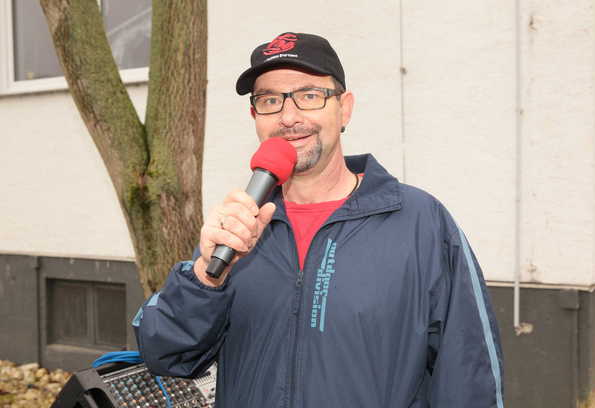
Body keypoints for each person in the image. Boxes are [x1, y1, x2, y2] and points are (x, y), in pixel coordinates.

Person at [133, 32, 504, 408]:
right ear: (255, 117)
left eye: (309, 95)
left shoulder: (420, 223)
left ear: (344, 109)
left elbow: (470, 377)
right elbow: (167, 356)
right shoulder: (239, 227)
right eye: (270, 100)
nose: (288, 117)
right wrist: (206, 279)